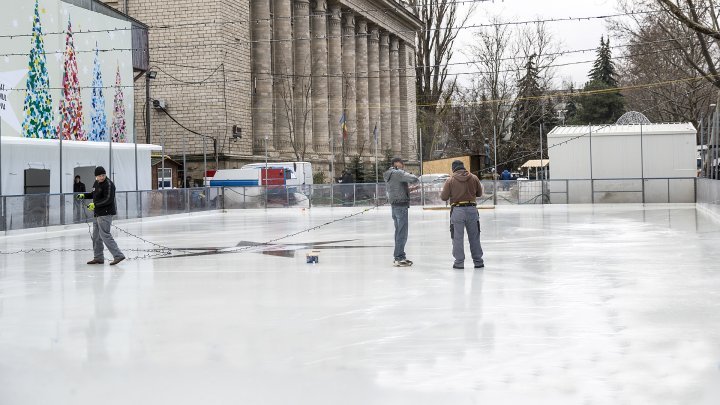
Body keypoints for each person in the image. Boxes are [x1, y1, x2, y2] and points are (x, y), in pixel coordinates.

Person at [76, 166, 125, 265]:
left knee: (104, 235)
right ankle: (98, 257)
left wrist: (95, 204)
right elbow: (93, 194)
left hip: (106, 213)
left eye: (103, 175)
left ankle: (118, 255)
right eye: (99, 176)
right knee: (96, 236)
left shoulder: (109, 184)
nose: (102, 177)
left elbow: (108, 199)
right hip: (97, 213)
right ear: (96, 176)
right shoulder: (96, 183)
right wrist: (84, 195)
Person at [440, 160, 484, 269]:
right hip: (472, 210)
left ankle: (459, 263)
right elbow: (479, 193)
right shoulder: (474, 178)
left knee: (457, 237)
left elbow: (443, 197)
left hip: (458, 210)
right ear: (463, 167)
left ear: (453, 168)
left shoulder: (450, 180)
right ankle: (478, 262)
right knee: (474, 237)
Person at [383, 157, 419, 267]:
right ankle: (399, 257)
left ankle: (400, 256)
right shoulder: (397, 173)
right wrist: (403, 172)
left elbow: (396, 188)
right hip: (401, 206)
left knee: (399, 231)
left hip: (395, 205)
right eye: (401, 165)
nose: (402, 167)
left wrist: (409, 190)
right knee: (402, 232)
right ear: (396, 164)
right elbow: (414, 178)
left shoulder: (389, 174)